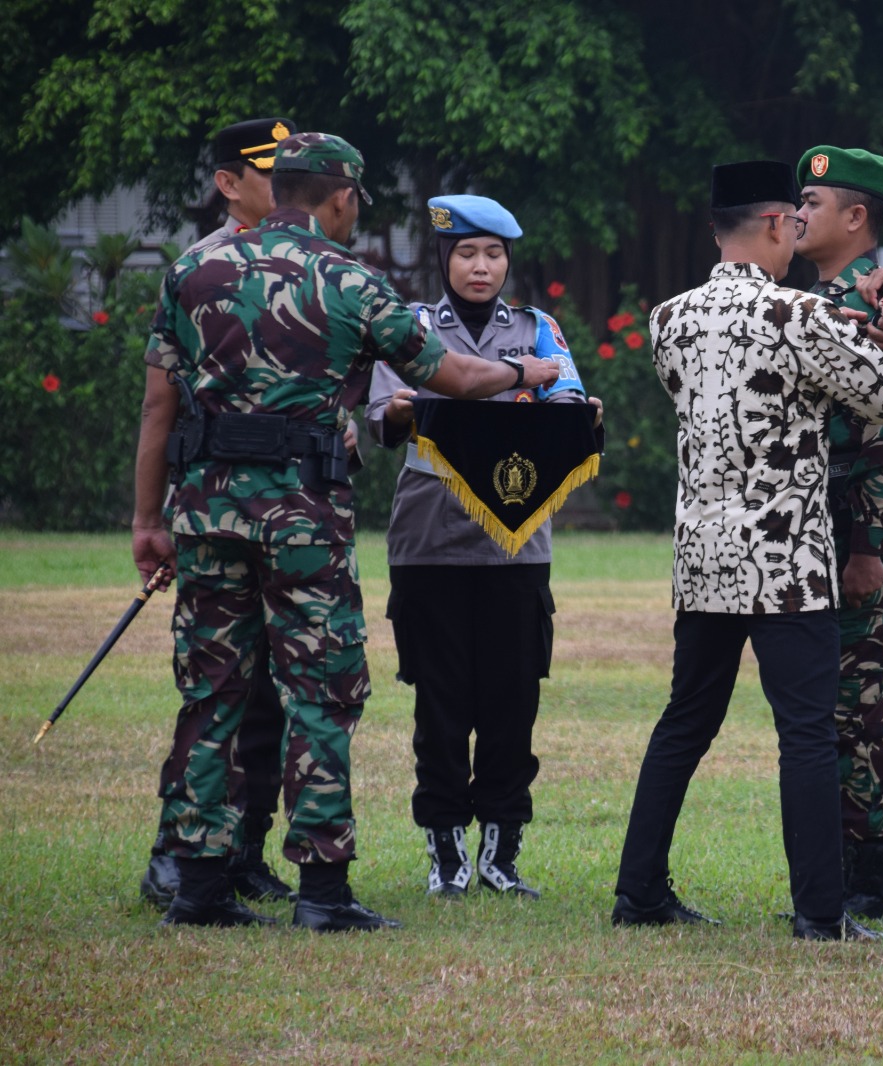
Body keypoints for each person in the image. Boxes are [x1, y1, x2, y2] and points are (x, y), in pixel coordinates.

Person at [134, 132, 564, 932]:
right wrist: (524, 372)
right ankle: (322, 893)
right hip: (302, 517)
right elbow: (452, 375)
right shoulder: (349, 280)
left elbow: (159, 403)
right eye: (356, 200)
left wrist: (145, 520)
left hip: (206, 512)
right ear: (340, 198)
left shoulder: (194, 271)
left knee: (211, 694)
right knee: (321, 695)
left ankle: (197, 888)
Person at [611, 160, 883, 942]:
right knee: (807, 735)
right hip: (785, 565)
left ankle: (638, 891)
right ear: (778, 224)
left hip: (703, 560)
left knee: (684, 725)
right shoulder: (799, 314)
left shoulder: (669, 319)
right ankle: (820, 913)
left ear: (716, 229)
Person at [366, 194, 598, 900]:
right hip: (429, 541)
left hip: (515, 548)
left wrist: (579, 412)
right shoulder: (410, 329)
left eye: (494, 254)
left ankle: (502, 852)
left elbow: (569, 403)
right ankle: (445, 852)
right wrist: (408, 408)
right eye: (466, 253)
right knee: (439, 704)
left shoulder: (538, 329)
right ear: (444, 259)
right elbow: (384, 419)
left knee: (511, 700)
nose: (481, 267)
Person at [139, 116, 301, 909]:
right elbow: (159, 405)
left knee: (274, 695)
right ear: (229, 184)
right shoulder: (195, 269)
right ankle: (176, 855)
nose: (286, 185)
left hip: (299, 515)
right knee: (214, 690)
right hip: (215, 511)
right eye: (270, 171)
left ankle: (245, 850)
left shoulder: (314, 266)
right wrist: (149, 519)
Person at [793, 145, 883, 919]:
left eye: (814, 202)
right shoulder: (816, 299)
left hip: (849, 530)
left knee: (856, 699)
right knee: (828, 698)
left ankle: (871, 873)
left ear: (857, 216)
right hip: (815, 525)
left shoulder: (868, 302)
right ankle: (838, 865)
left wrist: (867, 545)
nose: (799, 213)